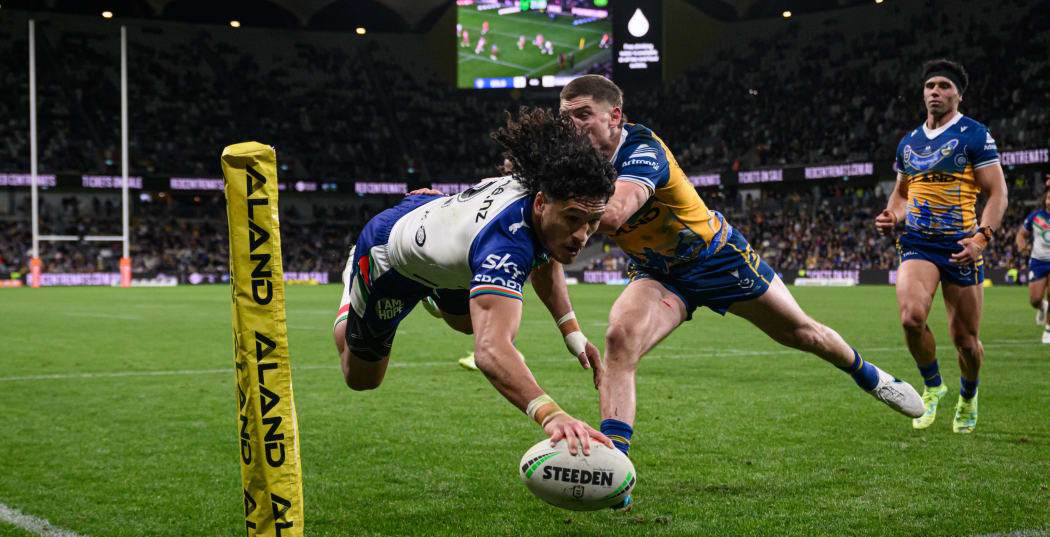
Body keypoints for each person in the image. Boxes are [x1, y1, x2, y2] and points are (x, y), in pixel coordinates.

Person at [556, 74, 923, 507]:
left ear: (615, 117)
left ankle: (871, 376)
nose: (572, 127)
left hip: (718, 258)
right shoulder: (572, 161)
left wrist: (557, 200)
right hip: (659, 272)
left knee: (802, 334)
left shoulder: (642, 150)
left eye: (583, 116)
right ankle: (615, 471)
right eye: (565, 119)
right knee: (620, 339)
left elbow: (615, 214)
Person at [332, 108, 617, 453]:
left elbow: (544, 257)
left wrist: (572, 334)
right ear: (541, 204)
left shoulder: (543, 194)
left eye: (593, 221)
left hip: (448, 242)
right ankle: (353, 291)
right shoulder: (505, 245)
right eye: (573, 219)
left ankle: (438, 279)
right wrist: (552, 415)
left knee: (467, 324)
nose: (582, 236)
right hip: (387, 257)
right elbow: (490, 351)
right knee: (361, 379)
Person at [876, 59, 1008, 433]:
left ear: (958, 94)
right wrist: (892, 215)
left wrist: (982, 238)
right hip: (918, 243)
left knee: (966, 342)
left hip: (961, 245)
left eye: (944, 86)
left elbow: (997, 194)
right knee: (910, 318)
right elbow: (901, 195)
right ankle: (934, 386)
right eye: (930, 86)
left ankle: (968, 395)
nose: (935, 91)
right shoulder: (908, 142)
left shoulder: (974, 135)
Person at [1014, 188, 1050, 343]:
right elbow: (1021, 234)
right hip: (1038, 262)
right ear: (1046, 200)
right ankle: (1042, 307)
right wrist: (1021, 245)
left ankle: (1048, 330)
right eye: (1049, 198)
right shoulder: (1036, 217)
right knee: (1035, 300)